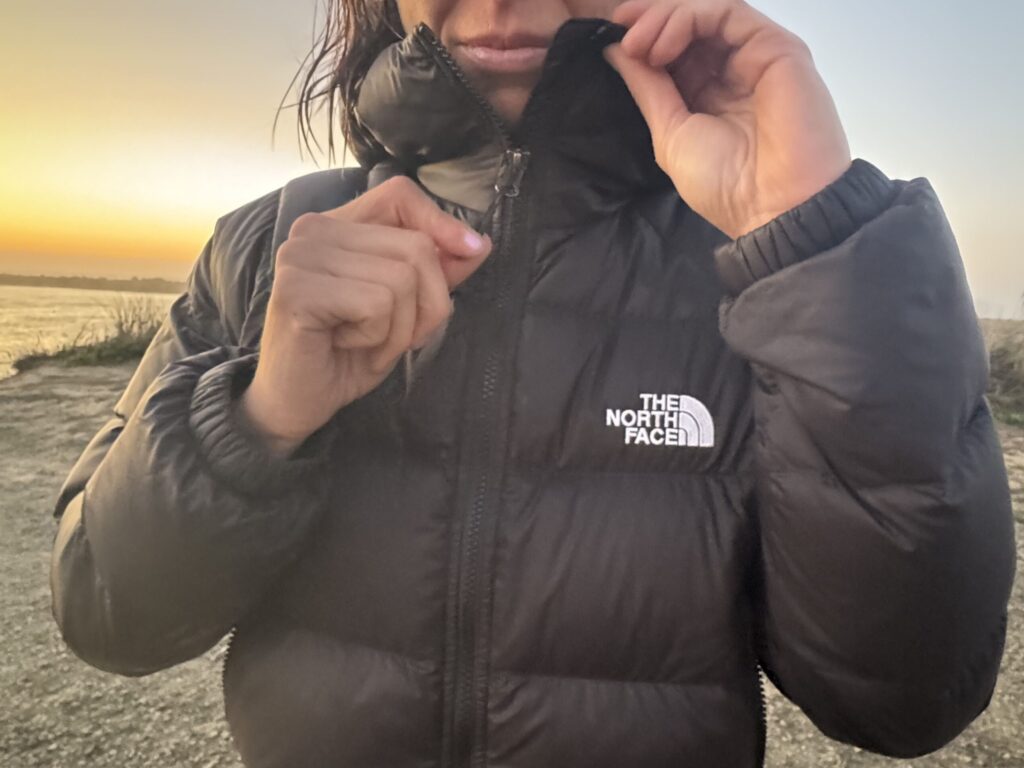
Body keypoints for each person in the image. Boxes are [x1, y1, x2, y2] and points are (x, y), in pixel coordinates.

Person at [49, 1, 1016, 766]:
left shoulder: (766, 266)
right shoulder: (271, 248)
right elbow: (109, 609)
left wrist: (821, 247)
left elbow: (903, 696)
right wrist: (259, 419)